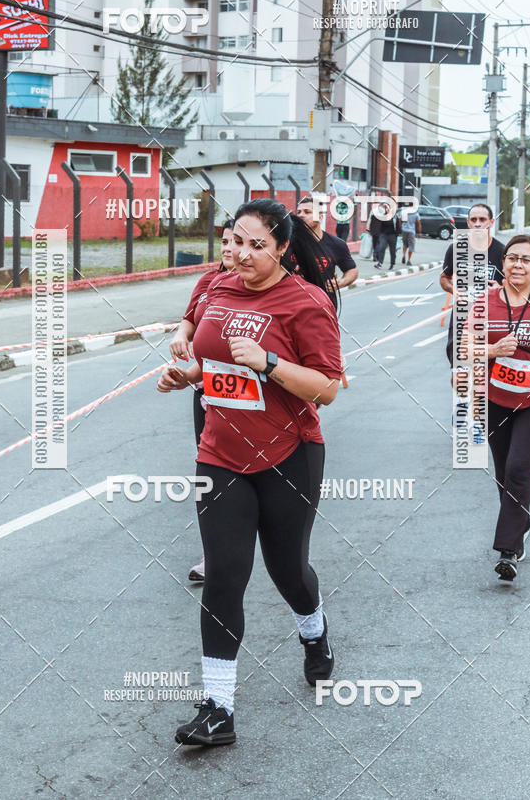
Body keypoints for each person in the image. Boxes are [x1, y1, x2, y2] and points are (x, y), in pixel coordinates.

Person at [157, 199, 342, 746]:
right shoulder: (217, 288)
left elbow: (328, 388)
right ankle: (218, 709)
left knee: (289, 571)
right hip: (219, 454)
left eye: (256, 245)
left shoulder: (305, 302)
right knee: (223, 575)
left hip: (289, 455)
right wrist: (186, 375)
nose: (240, 253)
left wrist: (268, 363)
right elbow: (211, 362)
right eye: (235, 240)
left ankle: (314, 631)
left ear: (283, 248)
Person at [478, 235, 530, 581]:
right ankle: (521, 522)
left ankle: (509, 550)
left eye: (526, 260)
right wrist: (493, 351)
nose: (517, 265)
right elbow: (466, 345)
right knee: (503, 474)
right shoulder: (486, 302)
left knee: (519, 468)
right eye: (512, 258)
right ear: (504, 263)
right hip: (496, 401)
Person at [169, 220, 234, 583]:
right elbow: (188, 320)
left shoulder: (269, 289)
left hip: (260, 406)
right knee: (209, 474)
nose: (229, 248)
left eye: (239, 241)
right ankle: (213, 553)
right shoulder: (208, 283)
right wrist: (181, 338)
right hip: (208, 394)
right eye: (225, 240)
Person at [440, 203, 504, 367]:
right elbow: (444, 278)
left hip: (491, 319)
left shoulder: (502, 252)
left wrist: (500, 290)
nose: (477, 223)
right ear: (468, 223)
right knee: (459, 368)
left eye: (482, 219)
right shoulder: (455, 249)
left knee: (486, 370)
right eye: (473, 220)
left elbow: (514, 288)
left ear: (491, 222)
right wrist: (454, 289)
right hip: (462, 315)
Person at [295, 196, 358, 289]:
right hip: (294, 301)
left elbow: (352, 270)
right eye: (298, 212)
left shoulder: (336, 244)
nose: (301, 215)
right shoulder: (286, 243)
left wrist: (340, 283)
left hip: (323, 301)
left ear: (320, 217)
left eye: (307, 212)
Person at [375, 204, 399, 270]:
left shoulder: (395, 217)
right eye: (386, 208)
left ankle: (392, 264)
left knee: (392, 250)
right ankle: (380, 263)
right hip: (384, 235)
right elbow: (380, 225)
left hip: (392, 235)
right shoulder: (383, 216)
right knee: (382, 248)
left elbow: (398, 226)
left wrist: (396, 235)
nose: (387, 209)